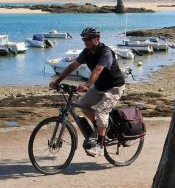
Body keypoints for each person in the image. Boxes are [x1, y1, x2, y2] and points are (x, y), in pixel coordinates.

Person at [49, 27, 126, 157]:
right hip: (100, 87)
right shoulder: (87, 52)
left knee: (101, 110)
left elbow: (98, 69)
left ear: (97, 39)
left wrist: (87, 85)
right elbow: (73, 66)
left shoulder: (105, 52)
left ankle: (100, 146)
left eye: (89, 39)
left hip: (114, 87)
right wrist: (57, 81)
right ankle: (99, 127)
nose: (86, 42)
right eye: (84, 39)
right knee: (82, 103)